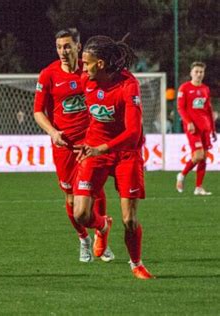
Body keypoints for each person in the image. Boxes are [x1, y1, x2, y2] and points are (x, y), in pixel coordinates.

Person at [73, 35, 154, 279]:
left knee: (129, 219)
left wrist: (103, 148)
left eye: (87, 63)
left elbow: (133, 132)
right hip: (94, 150)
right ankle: (102, 225)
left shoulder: (128, 85)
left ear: (101, 64)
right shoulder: (86, 80)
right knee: (81, 215)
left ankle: (136, 263)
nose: (83, 68)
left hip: (125, 153)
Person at [34, 28, 114, 263]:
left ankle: (101, 235)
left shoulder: (90, 69)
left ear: (79, 47)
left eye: (67, 46)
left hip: (90, 144)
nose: (62, 51)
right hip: (64, 147)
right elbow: (38, 111)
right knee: (71, 199)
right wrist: (52, 132)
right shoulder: (48, 75)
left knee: (95, 191)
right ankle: (85, 238)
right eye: (59, 47)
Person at [176, 62, 217, 195]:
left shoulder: (205, 89)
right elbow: (180, 108)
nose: (199, 74)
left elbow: (209, 110)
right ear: (191, 73)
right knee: (198, 155)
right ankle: (181, 175)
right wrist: (188, 122)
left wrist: (213, 129)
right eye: (196, 71)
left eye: (201, 72)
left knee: (204, 157)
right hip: (193, 128)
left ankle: (198, 187)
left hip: (205, 127)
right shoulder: (184, 88)